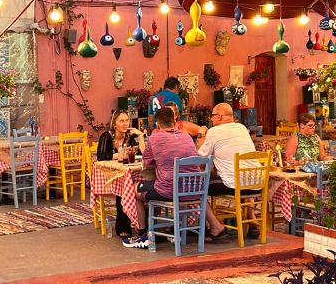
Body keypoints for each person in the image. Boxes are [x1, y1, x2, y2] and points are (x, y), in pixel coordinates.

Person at [123, 106, 230, 248]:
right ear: (174, 121)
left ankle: (142, 234)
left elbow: (146, 161)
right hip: (194, 190)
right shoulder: (186, 136)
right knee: (162, 183)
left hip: (170, 191)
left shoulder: (155, 137)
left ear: (158, 124)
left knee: (134, 189)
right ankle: (167, 229)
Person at [197, 102, 259, 239]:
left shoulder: (214, 131)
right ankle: (252, 219)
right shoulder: (242, 128)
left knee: (196, 187)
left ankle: (216, 226)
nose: (211, 120)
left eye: (212, 117)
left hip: (234, 183)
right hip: (255, 183)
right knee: (242, 175)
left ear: (219, 116)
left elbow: (201, 157)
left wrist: (201, 135)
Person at [96, 111, 142, 238]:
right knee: (123, 187)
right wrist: (119, 154)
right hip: (108, 175)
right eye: (121, 121)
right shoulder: (107, 136)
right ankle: (123, 226)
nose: (125, 123)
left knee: (134, 186)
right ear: (114, 123)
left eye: (127, 120)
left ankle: (139, 224)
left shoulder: (130, 137)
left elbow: (140, 154)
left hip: (126, 172)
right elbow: (101, 157)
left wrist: (141, 136)